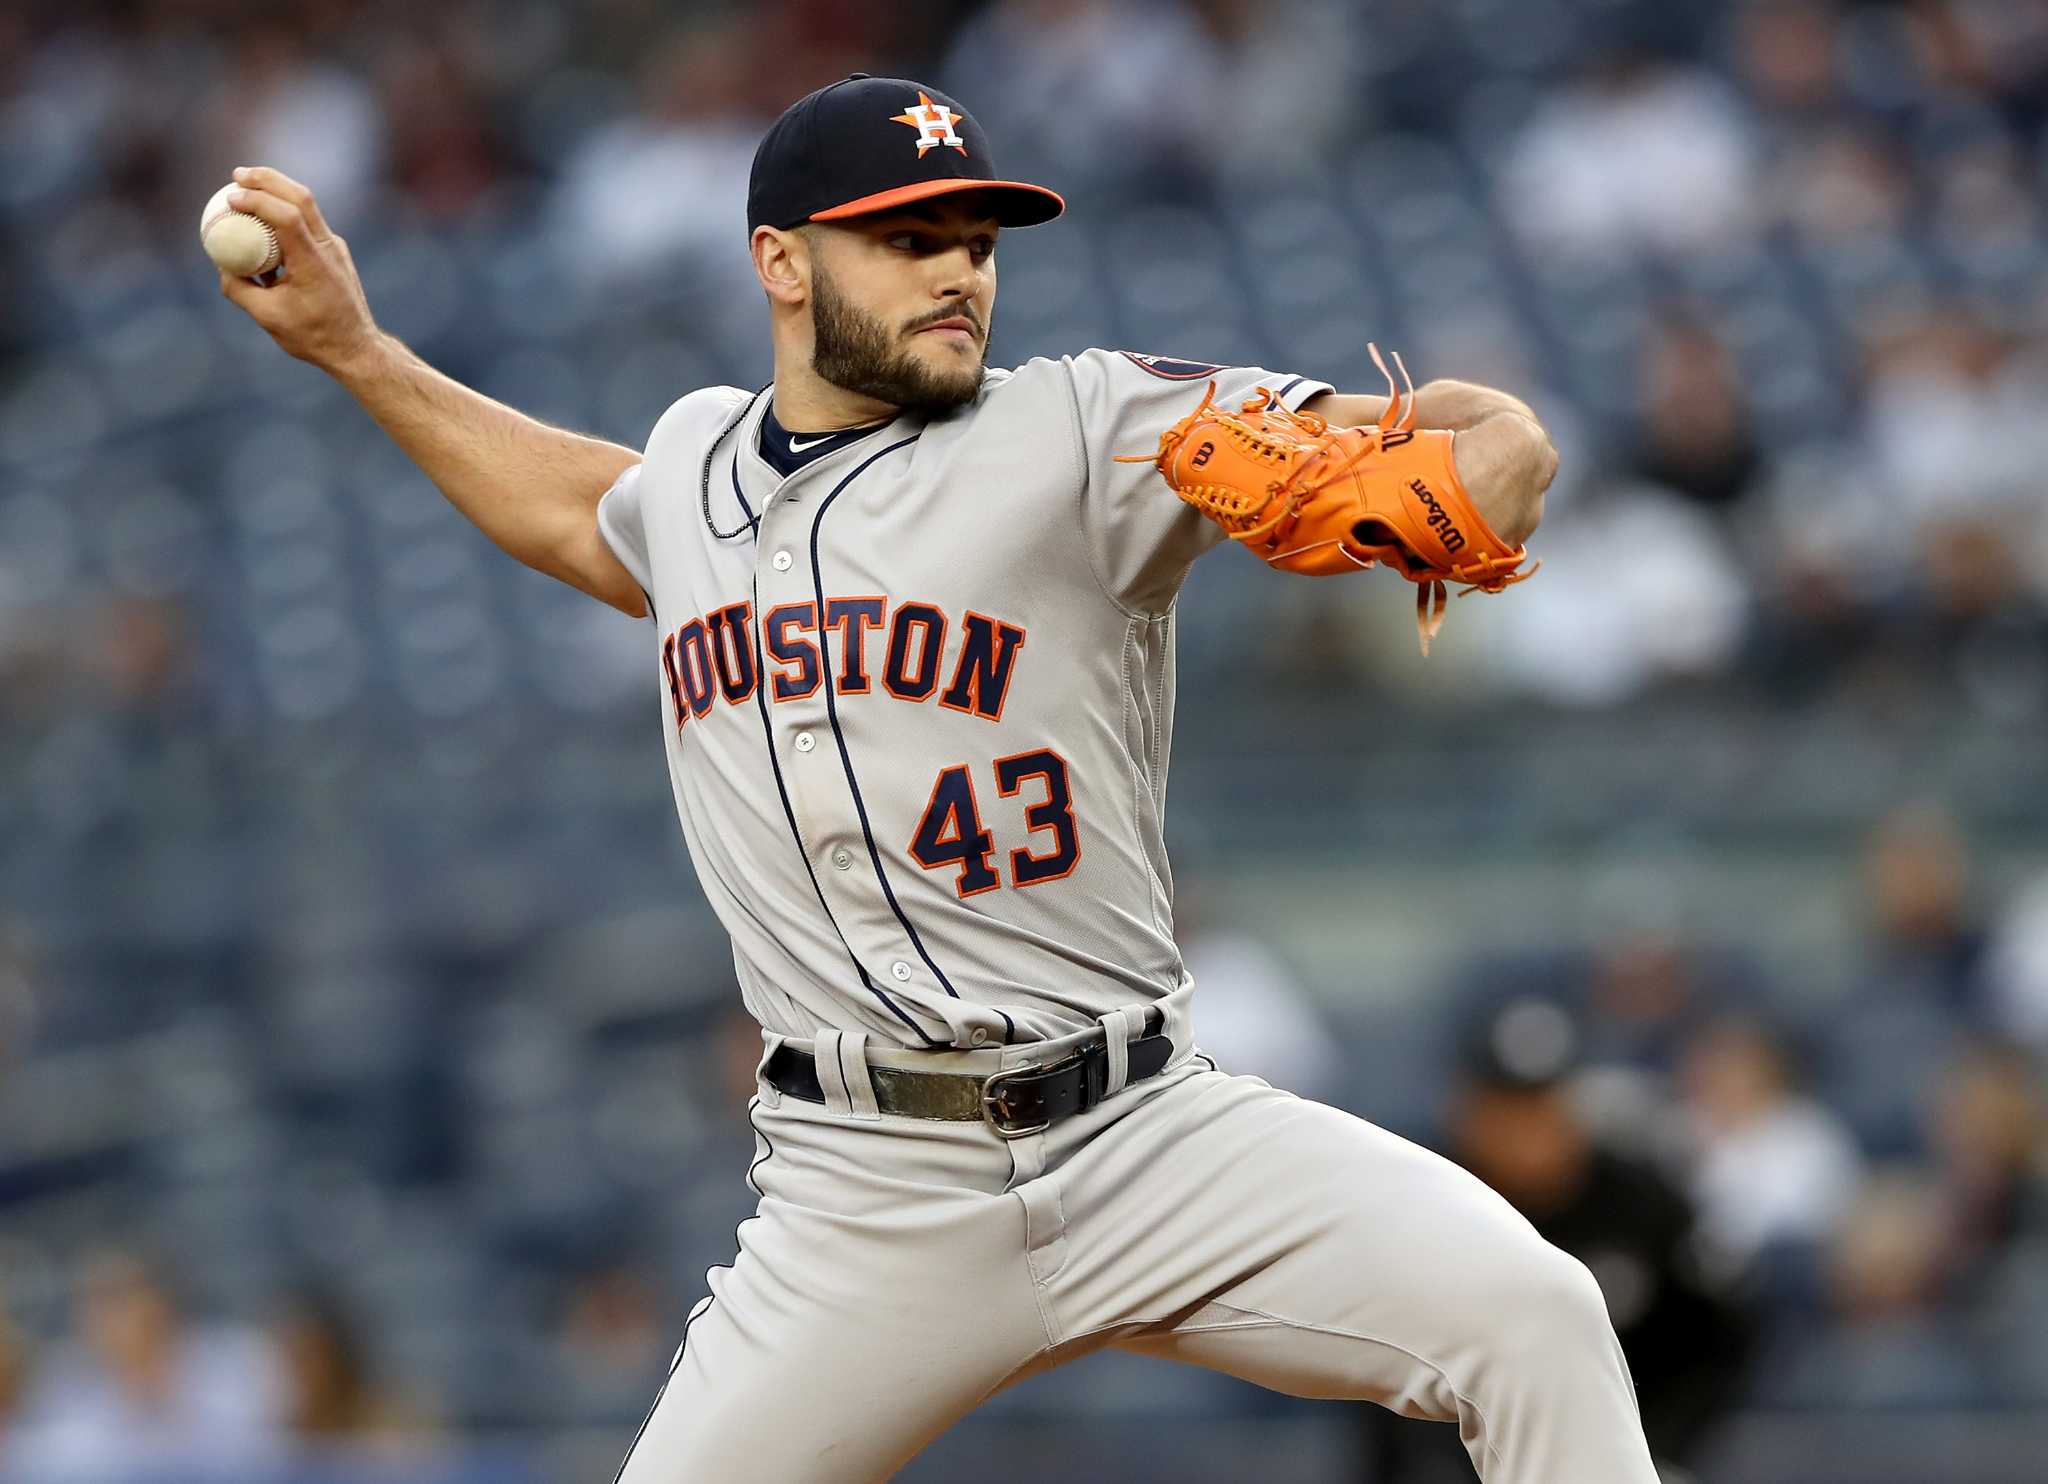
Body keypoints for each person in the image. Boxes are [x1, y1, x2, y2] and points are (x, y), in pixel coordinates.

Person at [216, 74, 1653, 1484]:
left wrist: (1499, 443)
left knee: (1535, 1319)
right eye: (907, 241)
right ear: (781, 262)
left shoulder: (1089, 432)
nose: (959, 273)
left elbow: (1463, 462)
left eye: (975, 242)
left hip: (1144, 1132)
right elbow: (584, 515)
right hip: (864, 1195)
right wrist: (361, 352)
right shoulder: (695, 472)